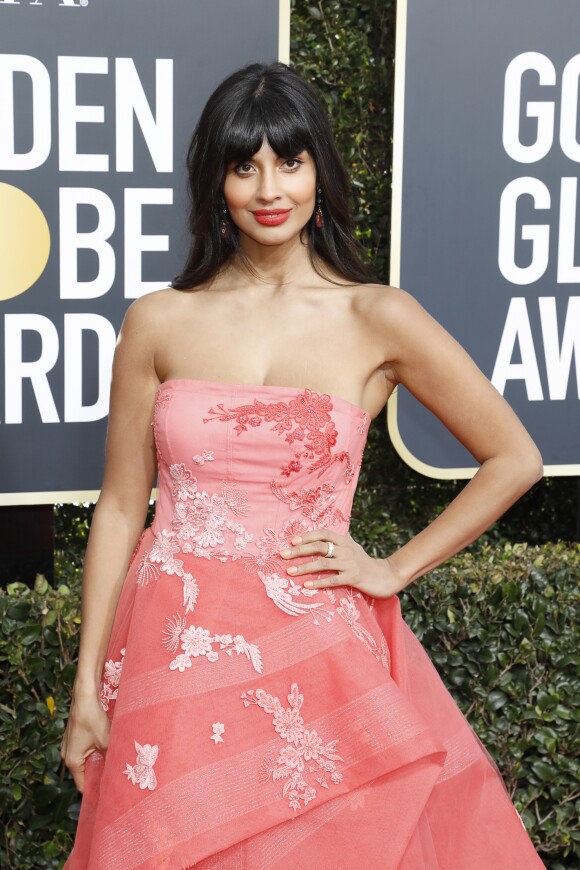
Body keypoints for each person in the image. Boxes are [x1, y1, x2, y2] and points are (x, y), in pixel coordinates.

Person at [60, 61, 546, 868]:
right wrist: (84, 691)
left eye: (289, 161)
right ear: (215, 181)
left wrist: (392, 567)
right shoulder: (157, 321)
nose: (268, 187)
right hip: (171, 667)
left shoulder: (376, 315)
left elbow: (514, 457)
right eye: (244, 165)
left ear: (320, 168)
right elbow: (119, 510)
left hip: (315, 663)